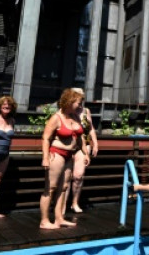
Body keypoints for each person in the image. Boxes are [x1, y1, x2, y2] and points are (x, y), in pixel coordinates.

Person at [40, 88, 86, 229]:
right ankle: (44, 220)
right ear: (70, 101)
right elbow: (46, 138)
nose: (80, 106)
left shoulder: (75, 117)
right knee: (51, 188)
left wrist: (85, 153)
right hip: (57, 154)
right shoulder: (56, 118)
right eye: (78, 103)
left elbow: (80, 137)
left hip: (69, 155)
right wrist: (45, 157)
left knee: (64, 187)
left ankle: (59, 218)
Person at [65, 87, 98, 214]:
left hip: (83, 145)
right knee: (67, 177)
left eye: (82, 95)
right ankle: (63, 204)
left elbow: (90, 128)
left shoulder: (86, 111)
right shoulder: (67, 111)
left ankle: (75, 202)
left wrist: (95, 143)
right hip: (69, 144)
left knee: (78, 176)